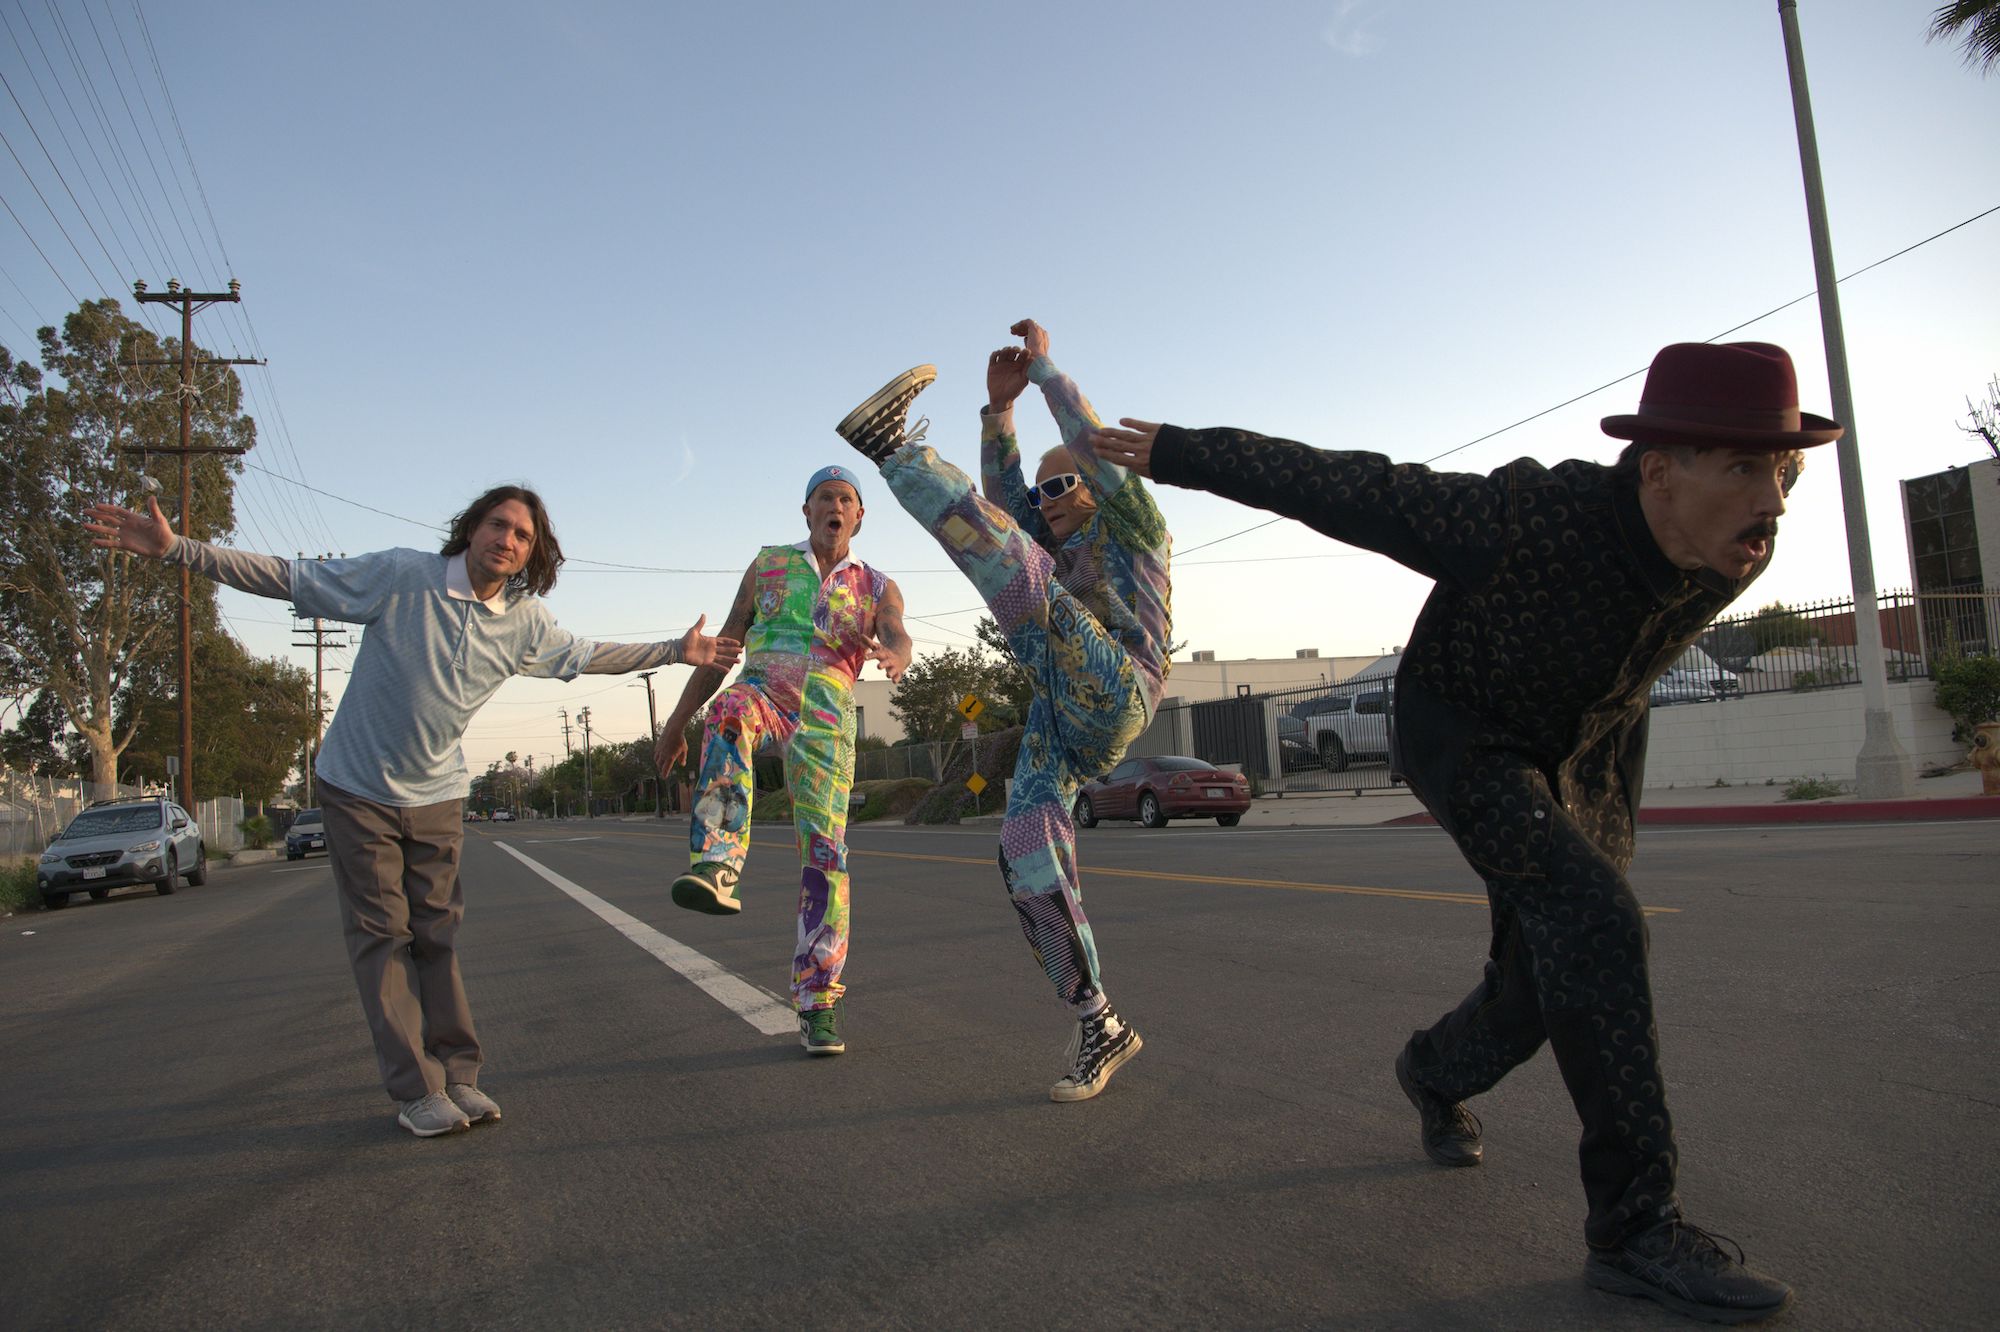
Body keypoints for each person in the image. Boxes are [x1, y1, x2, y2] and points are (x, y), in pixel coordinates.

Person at [1091, 341, 1835, 1325]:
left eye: (1781, 470)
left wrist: (1584, 763)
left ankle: (1431, 1071)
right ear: (1660, 470)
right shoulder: (1527, 518)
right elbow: (1358, 488)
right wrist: (1184, 451)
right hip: (1466, 733)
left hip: (1589, 746)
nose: (1773, 499)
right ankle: (1633, 1228)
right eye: (1744, 467)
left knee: (1551, 973)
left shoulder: (1741, 547)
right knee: (1598, 923)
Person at [84, 485, 740, 1138]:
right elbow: (290, 578)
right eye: (498, 524)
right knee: (382, 934)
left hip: (437, 795)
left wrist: (673, 652)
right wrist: (178, 550)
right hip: (356, 787)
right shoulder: (404, 577)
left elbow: (586, 656)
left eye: (522, 536)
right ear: (471, 528)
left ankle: (458, 1075)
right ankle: (416, 1088)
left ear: (531, 555)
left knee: (437, 937)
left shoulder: (523, 622)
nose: (507, 540)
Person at [833, 319, 1171, 1103]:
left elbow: (1086, 442)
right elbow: (998, 509)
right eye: (1042, 490)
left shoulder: (1135, 528)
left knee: (1021, 573)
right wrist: (997, 416)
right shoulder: (1043, 538)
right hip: (1063, 715)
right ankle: (1099, 1021)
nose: (1047, 500)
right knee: (1023, 856)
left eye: (1062, 487)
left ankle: (895, 449)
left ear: (1093, 487)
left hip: (1118, 685)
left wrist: (1048, 374)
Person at [654, 465, 911, 1057]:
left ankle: (818, 1001)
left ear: (859, 516)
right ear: (807, 510)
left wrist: (896, 652)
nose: (835, 506)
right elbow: (723, 647)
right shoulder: (768, 563)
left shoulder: (875, 584)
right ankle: (717, 865)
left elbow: (897, 632)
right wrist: (675, 723)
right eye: (825, 497)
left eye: (846, 499)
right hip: (765, 689)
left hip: (826, 715)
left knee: (826, 852)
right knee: (727, 715)